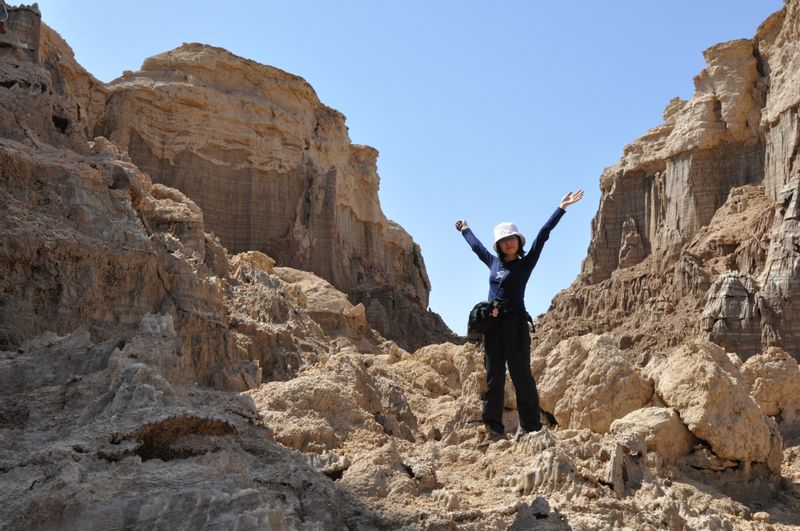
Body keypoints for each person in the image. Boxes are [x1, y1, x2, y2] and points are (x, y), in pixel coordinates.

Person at [455, 190, 584, 446]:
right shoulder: (493, 263)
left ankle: (532, 428)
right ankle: (493, 430)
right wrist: (465, 230)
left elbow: (543, 237)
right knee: (494, 377)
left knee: (521, 375)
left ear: (518, 240)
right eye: (503, 240)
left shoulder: (525, 263)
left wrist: (561, 208)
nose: (508, 243)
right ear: (499, 245)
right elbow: (476, 247)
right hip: (493, 325)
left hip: (515, 325)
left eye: (511, 238)